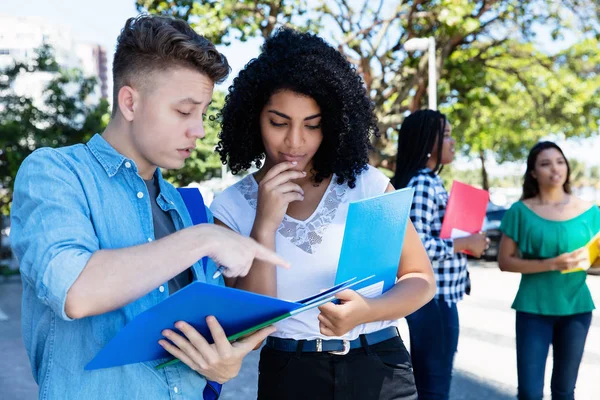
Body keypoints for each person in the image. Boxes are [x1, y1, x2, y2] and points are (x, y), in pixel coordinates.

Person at [10, 15, 288, 400]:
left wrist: (223, 365)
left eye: (203, 113)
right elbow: (74, 290)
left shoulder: (183, 205)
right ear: (130, 102)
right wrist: (203, 238)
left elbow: (209, 337)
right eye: (183, 111)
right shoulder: (54, 172)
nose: (199, 130)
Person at [209, 27, 436, 400]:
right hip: (291, 375)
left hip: (381, 367)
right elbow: (247, 337)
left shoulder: (366, 184)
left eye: (312, 125)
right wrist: (264, 226)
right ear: (253, 119)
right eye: (279, 122)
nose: (295, 141)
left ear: (331, 124)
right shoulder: (231, 208)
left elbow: (420, 278)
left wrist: (367, 311)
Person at [392, 109, 489, 400]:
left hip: (440, 297)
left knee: (434, 382)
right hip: (432, 299)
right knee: (434, 387)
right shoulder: (422, 183)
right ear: (427, 142)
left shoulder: (430, 181)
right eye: (445, 135)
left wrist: (469, 243)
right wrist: (463, 243)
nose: (453, 141)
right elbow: (414, 247)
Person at [498, 141, 598, 400]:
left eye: (560, 161)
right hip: (533, 310)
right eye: (545, 163)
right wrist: (553, 264)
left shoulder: (591, 212)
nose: (555, 168)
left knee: (564, 392)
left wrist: (588, 261)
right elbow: (505, 261)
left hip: (577, 309)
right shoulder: (519, 211)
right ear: (533, 172)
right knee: (530, 393)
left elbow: (596, 263)